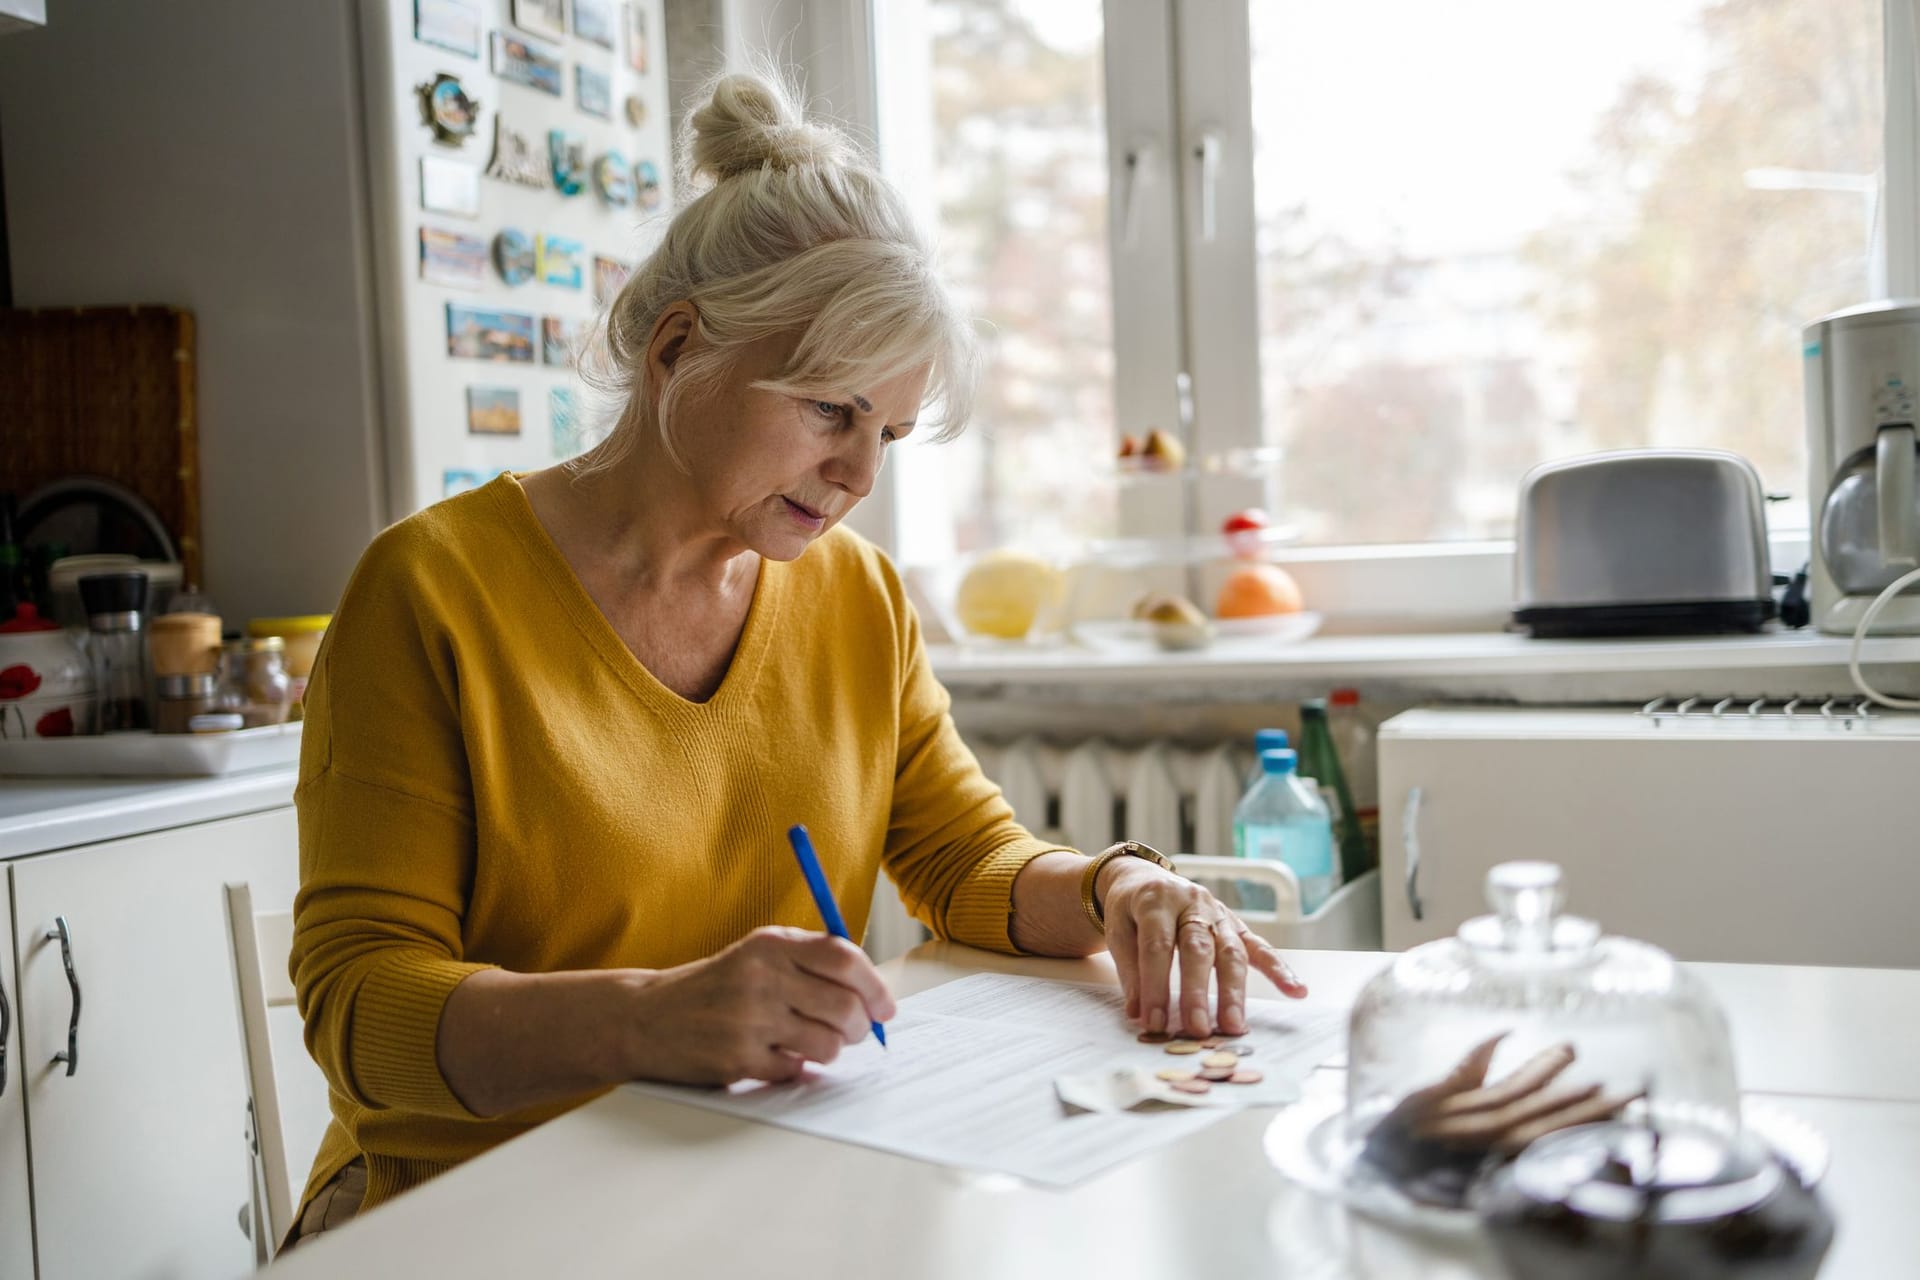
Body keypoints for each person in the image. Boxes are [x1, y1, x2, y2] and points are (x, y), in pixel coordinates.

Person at [282, 69, 1307, 1250]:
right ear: (677, 348)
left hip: (740, 1180)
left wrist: (1118, 886)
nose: (860, 475)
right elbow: (360, 1009)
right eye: (831, 409)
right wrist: (650, 1015)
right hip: (469, 1209)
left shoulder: (859, 597)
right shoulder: (432, 591)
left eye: (889, 433)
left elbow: (966, 857)